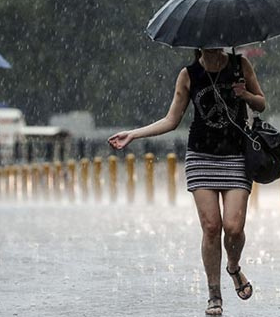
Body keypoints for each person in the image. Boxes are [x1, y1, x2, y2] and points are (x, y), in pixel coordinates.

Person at [108, 48, 266, 315]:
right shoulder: (189, 74)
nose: (212, 44)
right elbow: (171, 120)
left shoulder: (241, 65)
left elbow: (261, 103)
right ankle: (214, 293)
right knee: (212, 227)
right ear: (198, 43)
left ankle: (233, 266)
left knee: (234, 227)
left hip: (236, 156)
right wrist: (133, 134)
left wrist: (246, 95)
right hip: (201, 157)